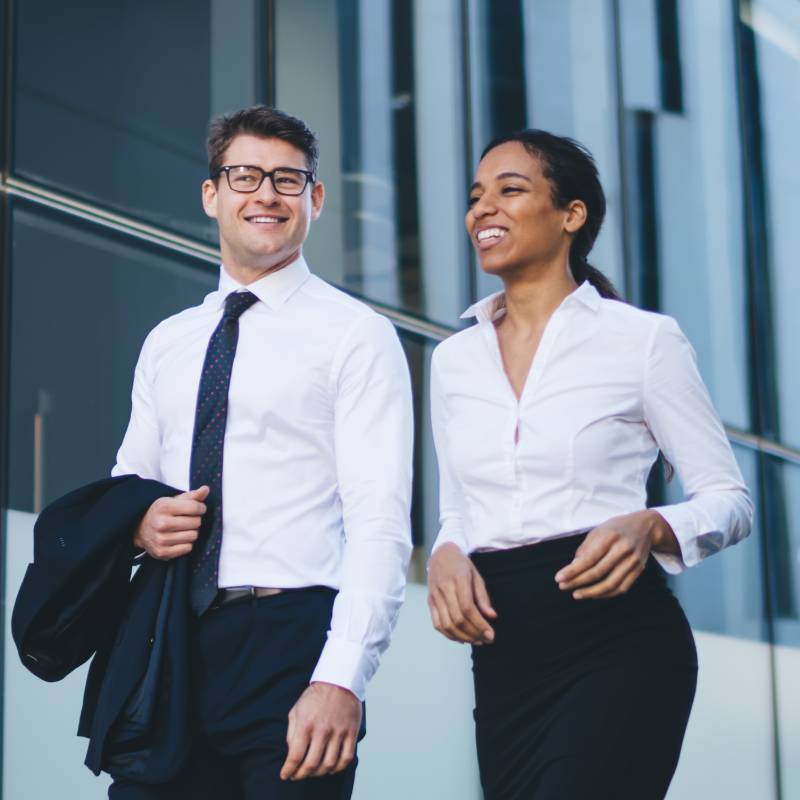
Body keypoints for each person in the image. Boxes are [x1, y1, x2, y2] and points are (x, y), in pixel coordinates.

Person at [426, 130, 753, 800]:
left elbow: (730, 499)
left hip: (617, 641)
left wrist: (651, 528)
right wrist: (444, 551)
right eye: (475, 197)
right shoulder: (452, 360)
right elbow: (458, 507)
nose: (483, 210)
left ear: (571, 215)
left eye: (510, 191)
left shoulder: (642, 340)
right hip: (504, 657)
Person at [109, 105, 413, 799]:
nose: (266, 194)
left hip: (291, 637)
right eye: (245, 176)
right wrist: (139, 521)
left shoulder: (355, 335)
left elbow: (380, 522)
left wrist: (341, 678)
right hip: (173, 635)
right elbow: (131, 477)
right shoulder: (170, 341)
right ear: (212, 194)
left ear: (316, 199)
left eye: (287, 179)